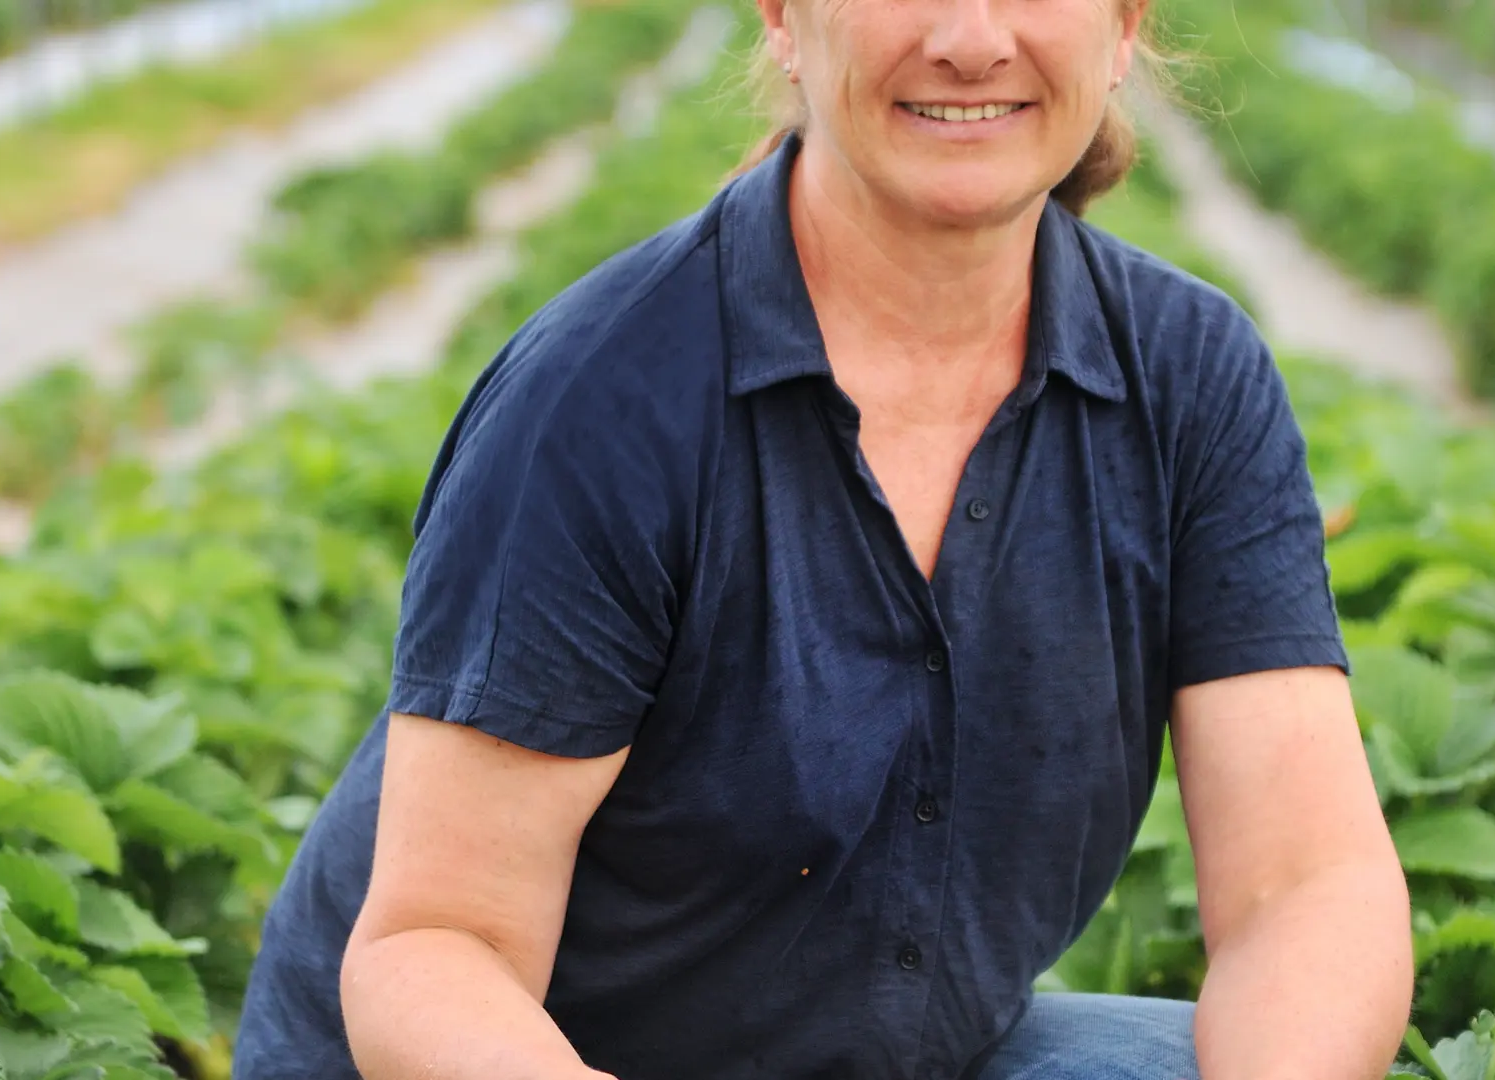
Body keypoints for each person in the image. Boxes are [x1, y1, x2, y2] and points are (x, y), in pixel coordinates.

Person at [231, 0, 1416, 1076]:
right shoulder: (606, 402)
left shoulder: (1190, 381)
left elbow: (1301, 887)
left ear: (1122, 29)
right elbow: (440, 947)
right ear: (786, 20)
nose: (971, 37)